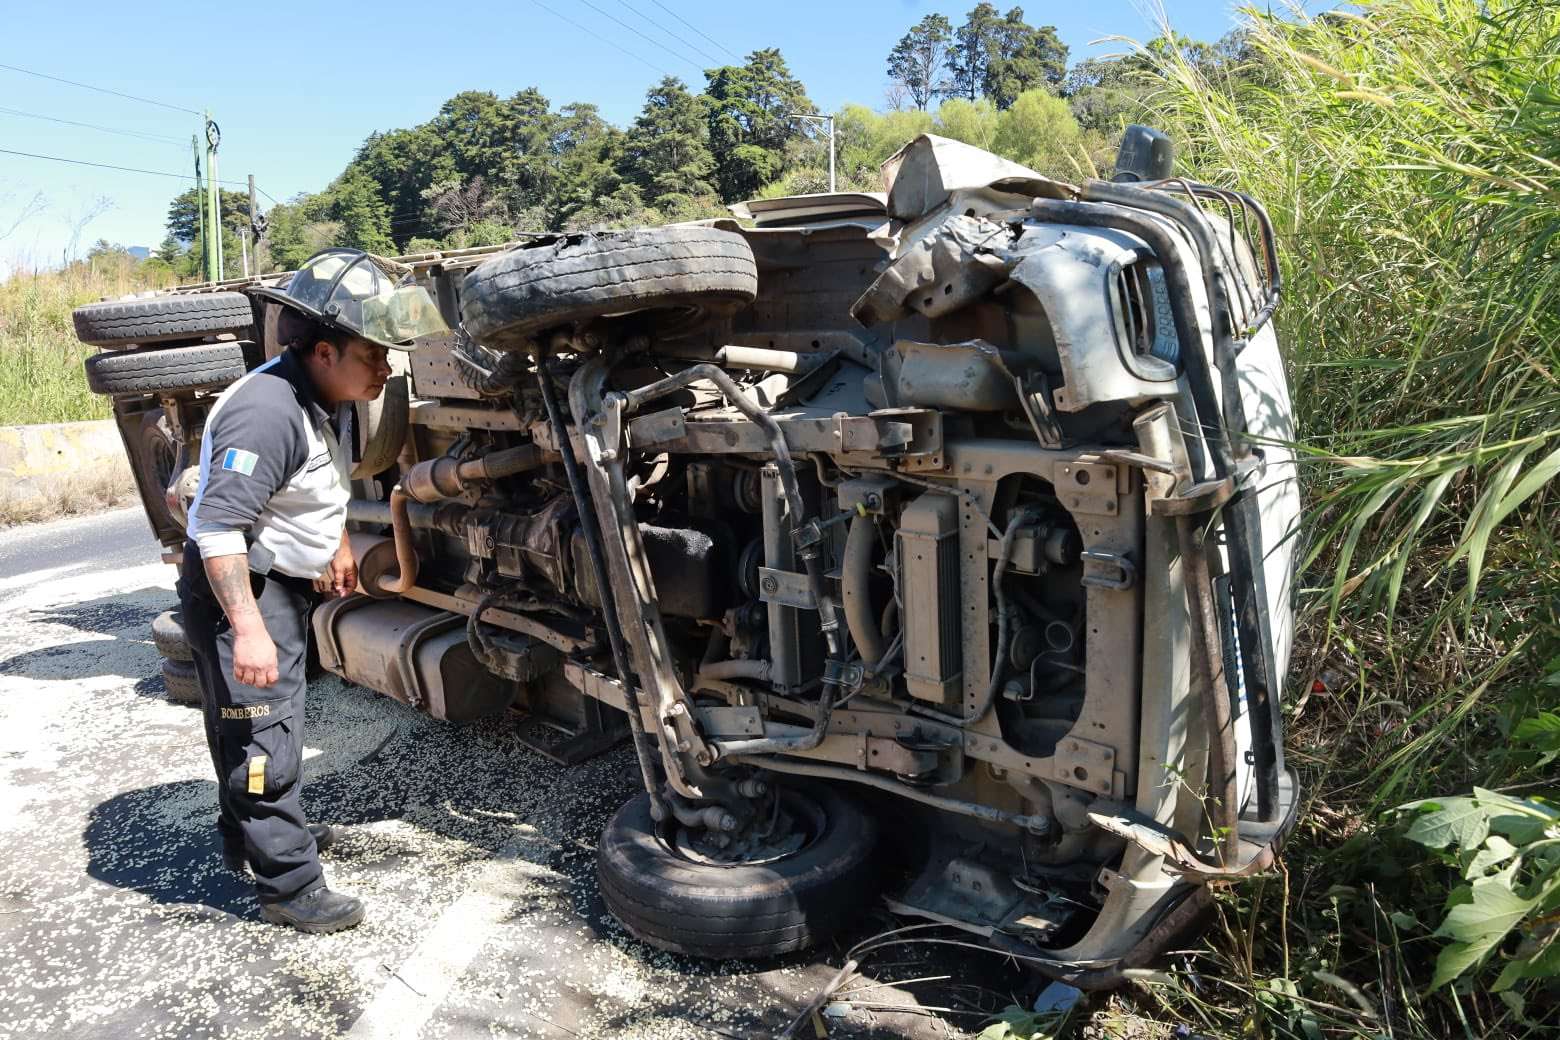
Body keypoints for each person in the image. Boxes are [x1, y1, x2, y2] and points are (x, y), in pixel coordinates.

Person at [178, 248, 447, 933]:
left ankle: (258, 840)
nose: (386, 369)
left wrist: (330, 545)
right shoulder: (265, 412)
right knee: (264, 741)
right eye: (374, 354)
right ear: (324, 350)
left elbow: (311, 483)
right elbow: (217, 530)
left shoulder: (317, 393)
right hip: (244, 589)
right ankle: (290, 887)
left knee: (244, 729)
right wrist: (249, 628)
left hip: (274, 583)